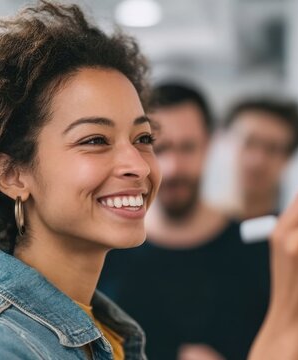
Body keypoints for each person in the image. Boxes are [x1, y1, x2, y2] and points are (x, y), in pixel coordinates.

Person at [0, 2, 298, 359]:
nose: (138, 163)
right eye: (95, 140)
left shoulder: (109, 333)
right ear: (12, 174)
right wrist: (289, 327)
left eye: (143, 137)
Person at [98, 83, 270, 360]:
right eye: (159, 148)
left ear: (209, 144)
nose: (174, 167)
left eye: (188, 147)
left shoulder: (256, 252)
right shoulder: (104, 258)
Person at [224, 98, 298, 220]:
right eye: (249, 142)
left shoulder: (294, 233)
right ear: (224, 143)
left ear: (288, 159)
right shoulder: (192, 231)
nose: (258, 160)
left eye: (272, 149)